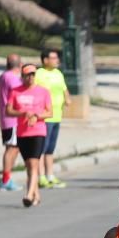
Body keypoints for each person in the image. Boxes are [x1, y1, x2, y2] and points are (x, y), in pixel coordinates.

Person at [5, 64, 52, 207]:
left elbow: (50, 112)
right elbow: (8, 111)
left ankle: (29, 194)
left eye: (33, 74)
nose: (30, 77)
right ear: (23, 76)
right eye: (27, 75)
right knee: (29, 166)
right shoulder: (15, 91)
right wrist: (23, 113)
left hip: (38, 131)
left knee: (33, 163)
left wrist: (37, 116)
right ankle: (36, 194)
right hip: (22, 133)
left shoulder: (43, 91)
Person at [35, 49, 71, 189]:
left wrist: (67, 98)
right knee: (42, 149)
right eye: (53, 58)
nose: (57, 60)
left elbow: (64, 88)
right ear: (45, 60)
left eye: (57, 58)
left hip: (57, 116)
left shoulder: (58, 73)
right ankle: (41, 176)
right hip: (45, 117)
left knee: (50, 149)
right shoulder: (39, 74)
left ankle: (50, 175)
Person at [0, 54, 22, 191]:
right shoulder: (13, 79)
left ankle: (8, 177)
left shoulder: (2, 77)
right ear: (20, 65)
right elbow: (19, 97)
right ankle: (6, 180)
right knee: (12, 148)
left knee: (12, 147)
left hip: (5, 118)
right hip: (12, 119)